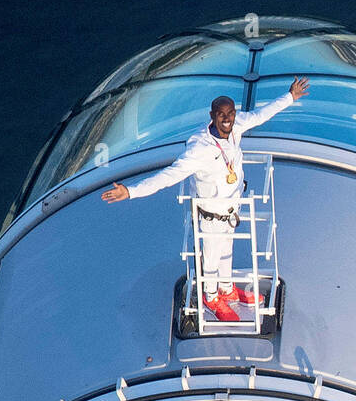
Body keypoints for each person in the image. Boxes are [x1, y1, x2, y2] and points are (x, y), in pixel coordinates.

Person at [102, 77, 309, 321]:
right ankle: (211, 297)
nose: (227, 118)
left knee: (226, 252)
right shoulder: (199, 149)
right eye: (221, 114)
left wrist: (290, 97)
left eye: (230, 113)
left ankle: (226, 289)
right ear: (212, 116)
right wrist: (131, 191)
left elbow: (261, 115)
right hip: (211, 216)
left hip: (231, 210)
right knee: (211, 257)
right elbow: (168, 176)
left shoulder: (236, 126)